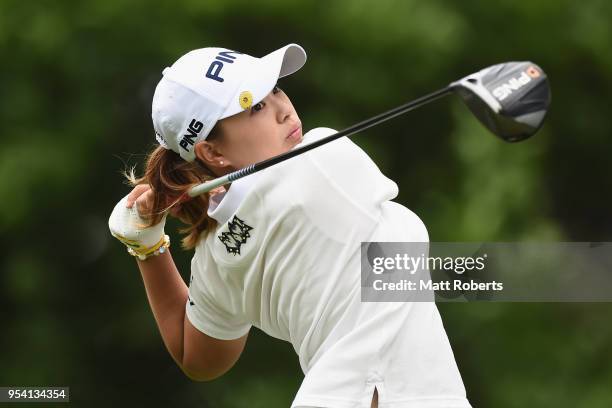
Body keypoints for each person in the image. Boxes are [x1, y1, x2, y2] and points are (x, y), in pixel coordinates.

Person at [108, 43, 472, 408]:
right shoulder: (324, 157)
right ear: (213, 153)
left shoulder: (215, 256)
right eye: (257, 106)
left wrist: (147, 246)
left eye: (276, 89)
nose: (283, 109)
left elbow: (197, 357)